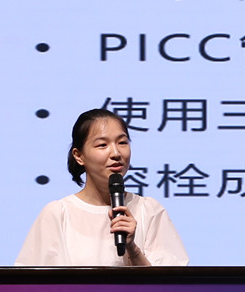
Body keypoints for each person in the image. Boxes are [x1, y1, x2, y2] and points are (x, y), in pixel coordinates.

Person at [15, 108, 188, 266]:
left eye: (122, 142)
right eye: (102, 145)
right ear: (79, 155)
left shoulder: (148, 210)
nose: (116, 153)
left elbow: (170, 285)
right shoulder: (58, 214)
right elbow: (31, 283)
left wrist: (133, 249)